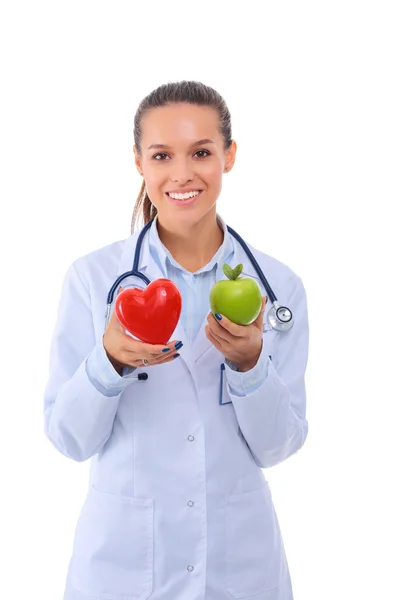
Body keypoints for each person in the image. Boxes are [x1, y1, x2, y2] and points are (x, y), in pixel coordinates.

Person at [43, 80, 310, 600]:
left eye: (202, 152)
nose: (182, 174)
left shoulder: (278, 288)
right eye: (162, 154)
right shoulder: (93, 280)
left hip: (238, 568)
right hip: (122, 568)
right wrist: (108, 362)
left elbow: (278, 446)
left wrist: (251, 366)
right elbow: (69, 439)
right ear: (139, 163)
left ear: (229, 157)